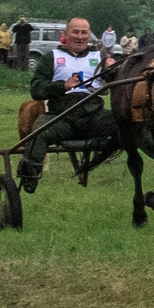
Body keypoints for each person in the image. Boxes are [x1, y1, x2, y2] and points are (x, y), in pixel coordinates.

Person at [20, 17, 110, 193]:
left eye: (84, 32)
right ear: (66, 34)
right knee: (40, 130)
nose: (80, 36)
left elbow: (115, 82)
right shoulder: (51, 58)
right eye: (75, 32)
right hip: (62, 117)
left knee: (125, 123)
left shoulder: (99, 57)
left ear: (89, 36)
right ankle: (30, 173)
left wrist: (113, 72)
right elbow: (36, 90)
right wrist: (62, 86)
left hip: (94, 116)